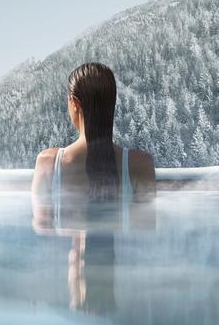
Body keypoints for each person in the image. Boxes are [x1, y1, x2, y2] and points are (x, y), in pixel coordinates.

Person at [31, 63, 155, 227]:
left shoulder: (48, 162)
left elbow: (43, 230)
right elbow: (146, 230)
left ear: (74, 102)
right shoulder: (139, 164)